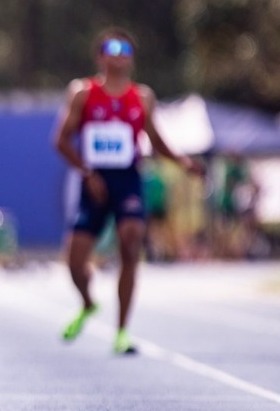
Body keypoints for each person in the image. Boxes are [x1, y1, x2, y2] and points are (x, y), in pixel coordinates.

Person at [53, 29, 201, 355]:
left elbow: (157, 141)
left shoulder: (143, 97)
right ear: (99, 57)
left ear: (132, 58)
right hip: (95, 182)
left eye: (125, 49)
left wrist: (183, 162)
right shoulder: (83, 93)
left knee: (131, 244)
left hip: (128, 181)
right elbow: (61, 140)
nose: (119, 53)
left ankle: (121, 332)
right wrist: (86, 172)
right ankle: (88, 302)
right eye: (111, 47)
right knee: (76, 262)